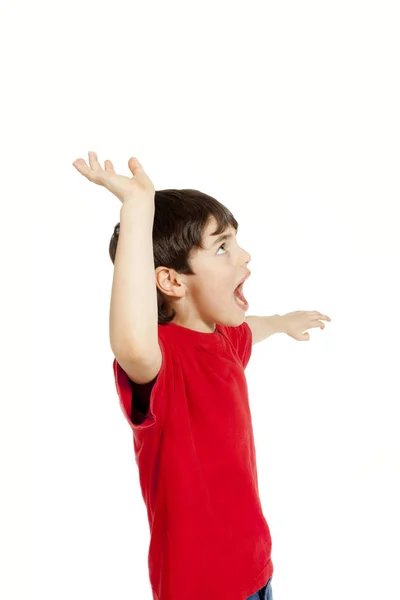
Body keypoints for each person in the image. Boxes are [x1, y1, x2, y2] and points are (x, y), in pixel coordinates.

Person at [73, 151, 312, 599]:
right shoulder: (160, 361)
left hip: (257, 570)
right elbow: (130, 340)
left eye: (235, 241)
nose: (243, 256)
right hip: (200, 588)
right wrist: (138, 210)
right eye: (222, 247)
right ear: (171, 281)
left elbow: (249, 330)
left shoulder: (224, 341)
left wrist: (281, 320)